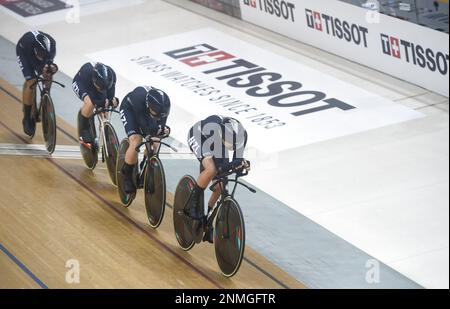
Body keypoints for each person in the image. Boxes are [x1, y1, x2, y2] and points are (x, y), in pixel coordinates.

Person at [187, 115, 250, 243]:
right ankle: (192, 204)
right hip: (200, 136)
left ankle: (208, 221)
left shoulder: (241, 135)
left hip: (218, 143)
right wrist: (235, 164)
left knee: (220, 186)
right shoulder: (214, 132)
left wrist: (242, 164)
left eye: (233, 145)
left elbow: (236, 161)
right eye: (229, 144)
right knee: (211, 169)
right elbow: (221, 167)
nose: (232, 147)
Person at [119, 86, 171, 194]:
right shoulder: (138, 99)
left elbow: (159, 127)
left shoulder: (162, 106)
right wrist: (156, 130)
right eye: (155, 114)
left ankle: (145, 165)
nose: (158, 117)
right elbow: (145, 127)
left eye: (160, 115)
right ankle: (127, 175)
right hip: (130, 110)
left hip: (147, 112)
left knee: (156, 142)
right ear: (149, 106)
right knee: (136, 140)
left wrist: (163, 130)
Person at [16, 31, 58, 137]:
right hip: (24, 52)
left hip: (41, 51)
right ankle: (26, 116)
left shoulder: (51, 46)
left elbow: (49, 65)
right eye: (40, 54)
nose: (41, 56)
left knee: (48, 72)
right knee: (31, 82)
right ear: (36, 49)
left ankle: (46, 95)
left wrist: (50, 69)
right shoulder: (27, 44)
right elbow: (34, 62)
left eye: (44, 54)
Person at [72, 62, 118, 147]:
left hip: (100, 84)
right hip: (81, 83)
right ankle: (84, 131)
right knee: (90, 103)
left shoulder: (112, 76)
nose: (101, 89)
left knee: (105, 110)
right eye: (100, 87)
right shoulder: (87, 74)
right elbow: (94, 100)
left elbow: (110, 98)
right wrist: (101, 103)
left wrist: (112, 102)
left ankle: (105, 139)